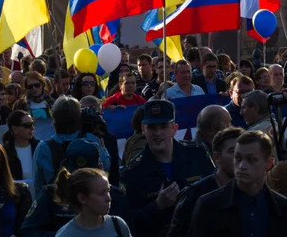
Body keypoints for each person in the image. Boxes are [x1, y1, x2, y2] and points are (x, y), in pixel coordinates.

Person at [120, 100, 215, 237]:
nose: (158, 133)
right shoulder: (131, 172)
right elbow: (129, 222)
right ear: (143, 130)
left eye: (163, 126)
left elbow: (216, 193)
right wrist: (157, 206)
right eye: (152, 127)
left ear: (174, 129)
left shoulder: (197, 153)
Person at [19, 139, 133, 237]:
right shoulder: (51, 195)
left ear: (100, 167)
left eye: (90, 174)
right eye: (78, 175)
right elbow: (27, 232)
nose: (107, 198)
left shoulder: (116, 201)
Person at [188, 131, 287, 236]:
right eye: (238, 158)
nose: (242, 166)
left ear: (269, 163)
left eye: (251, 160)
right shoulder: (208, 206)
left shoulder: (282, 207)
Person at [168, 127, 244, 237]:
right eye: (232, 152)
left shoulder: (251, 190)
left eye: (242, 153)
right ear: (217, 157)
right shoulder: (194, 195)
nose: (239, 158)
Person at [53, 168, 131, 236]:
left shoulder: (117, 225)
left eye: (108, 191)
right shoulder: (66, 234)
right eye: (101, 193)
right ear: (82, 198)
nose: (108, 198)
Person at [2, 110, 39, 181]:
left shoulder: (40, 147)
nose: (32, 128)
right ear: (15, 129)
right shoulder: (5, 152)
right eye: (27, 125)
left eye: (33, 123)